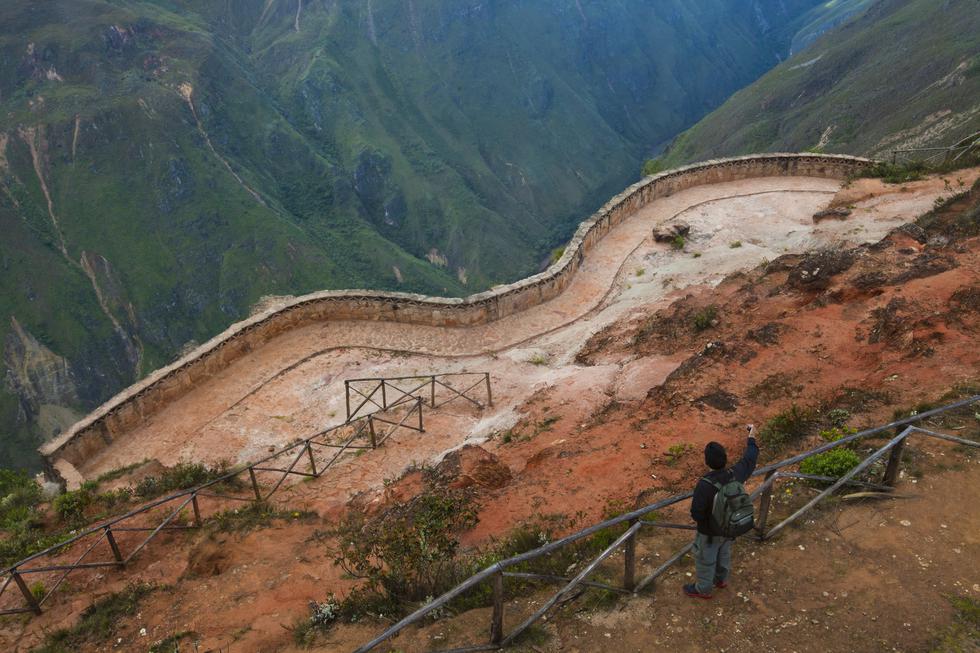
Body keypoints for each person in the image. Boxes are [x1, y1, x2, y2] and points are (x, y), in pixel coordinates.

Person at [684, 425, 759, 599]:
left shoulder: (704, 485)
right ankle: (721, 580)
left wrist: (705, 521)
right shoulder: (735, 474)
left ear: (707, 462)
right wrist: (751, 438)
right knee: (724, 555)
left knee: (706, 560)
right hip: (729, 527)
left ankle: (703, 589)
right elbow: (750, 459)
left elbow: (696, 514)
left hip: (709, 533)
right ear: (725, 459)